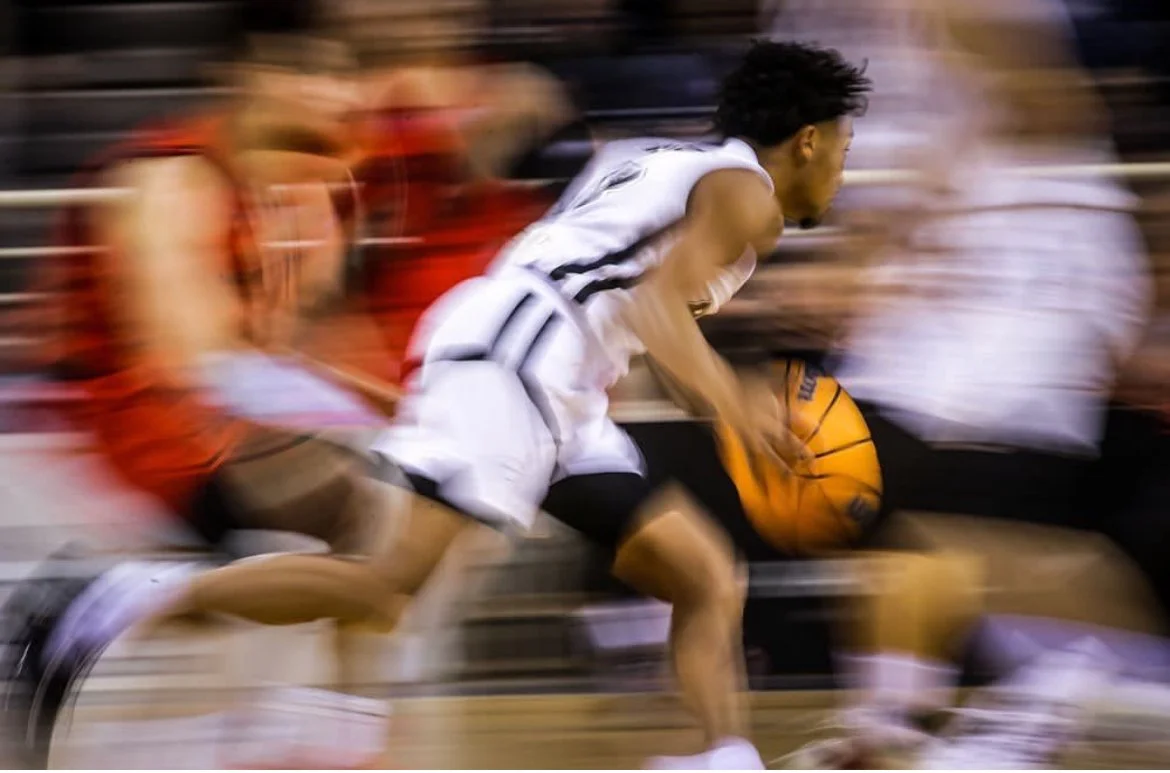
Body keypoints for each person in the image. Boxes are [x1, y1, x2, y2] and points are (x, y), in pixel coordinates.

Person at [10, 40, 870, 769]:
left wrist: (707, 392)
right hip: (522, 365)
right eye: (843, 145)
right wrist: (740, 411)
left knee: (705, 575)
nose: (844, 166)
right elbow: (652, 310)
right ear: (806, 139)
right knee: (385, 585)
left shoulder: (664, 157)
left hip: (547, 374)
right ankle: (121, 599)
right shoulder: (746, 197)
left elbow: (627, 299)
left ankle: (723, 757)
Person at [0, 25, 406, 766]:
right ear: (252, 76)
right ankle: (120, 603)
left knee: (319, 558)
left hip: (205, 415)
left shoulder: (271, 186)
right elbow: (189, 353)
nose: (333, 97)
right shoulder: (173, 176)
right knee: (369, 550)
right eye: (309, 73)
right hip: (147, 422)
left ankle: (314, 723)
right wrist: (339, 406)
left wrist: (395, 402)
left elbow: (283, 342)